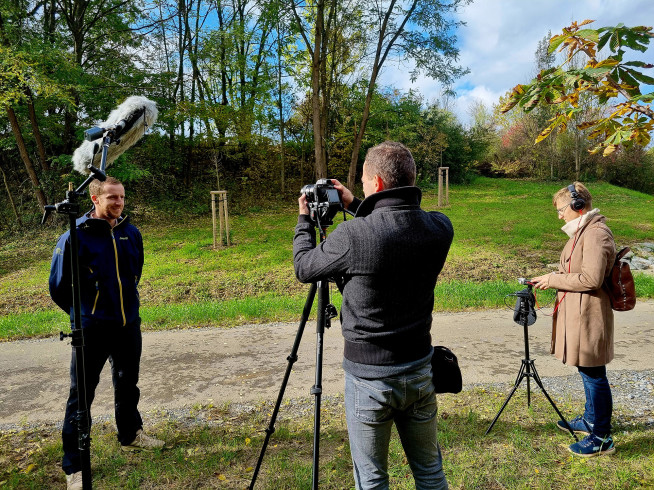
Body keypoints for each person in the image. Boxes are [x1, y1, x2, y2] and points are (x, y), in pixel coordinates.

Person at [294, 141, 453, 489]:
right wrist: (354, 204)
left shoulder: (352, 235)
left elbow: (305, 267)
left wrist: (305, 221)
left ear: (377, 184)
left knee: (372, 478)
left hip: (370, 379)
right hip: (420, 370)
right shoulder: (440, 228)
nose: (363, 188)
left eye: (365, 182)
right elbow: (392, 227)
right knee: (429, 472)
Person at [49, 176, 164, 490]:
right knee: (81, 397)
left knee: (128, 384)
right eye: (112, 197)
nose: (119, 203)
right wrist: (86, 315)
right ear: (95, 198)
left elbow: (134, 274)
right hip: (91, 331)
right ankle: (74, 466)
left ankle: (130, 434)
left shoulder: (131, 233)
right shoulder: (74, 237)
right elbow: (58, 287)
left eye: (122, 197)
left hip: (128, 326)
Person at [531, 182, 616, 457]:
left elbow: (591, 279)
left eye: (561, 209)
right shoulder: (581, 233)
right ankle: (590, 419)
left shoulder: (595, 234)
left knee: (594, 374)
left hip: (589, 314)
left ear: (578, 206)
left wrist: (553, 279)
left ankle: (602, 437)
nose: (559, 215)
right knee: (585, 368)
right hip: (578, 312)